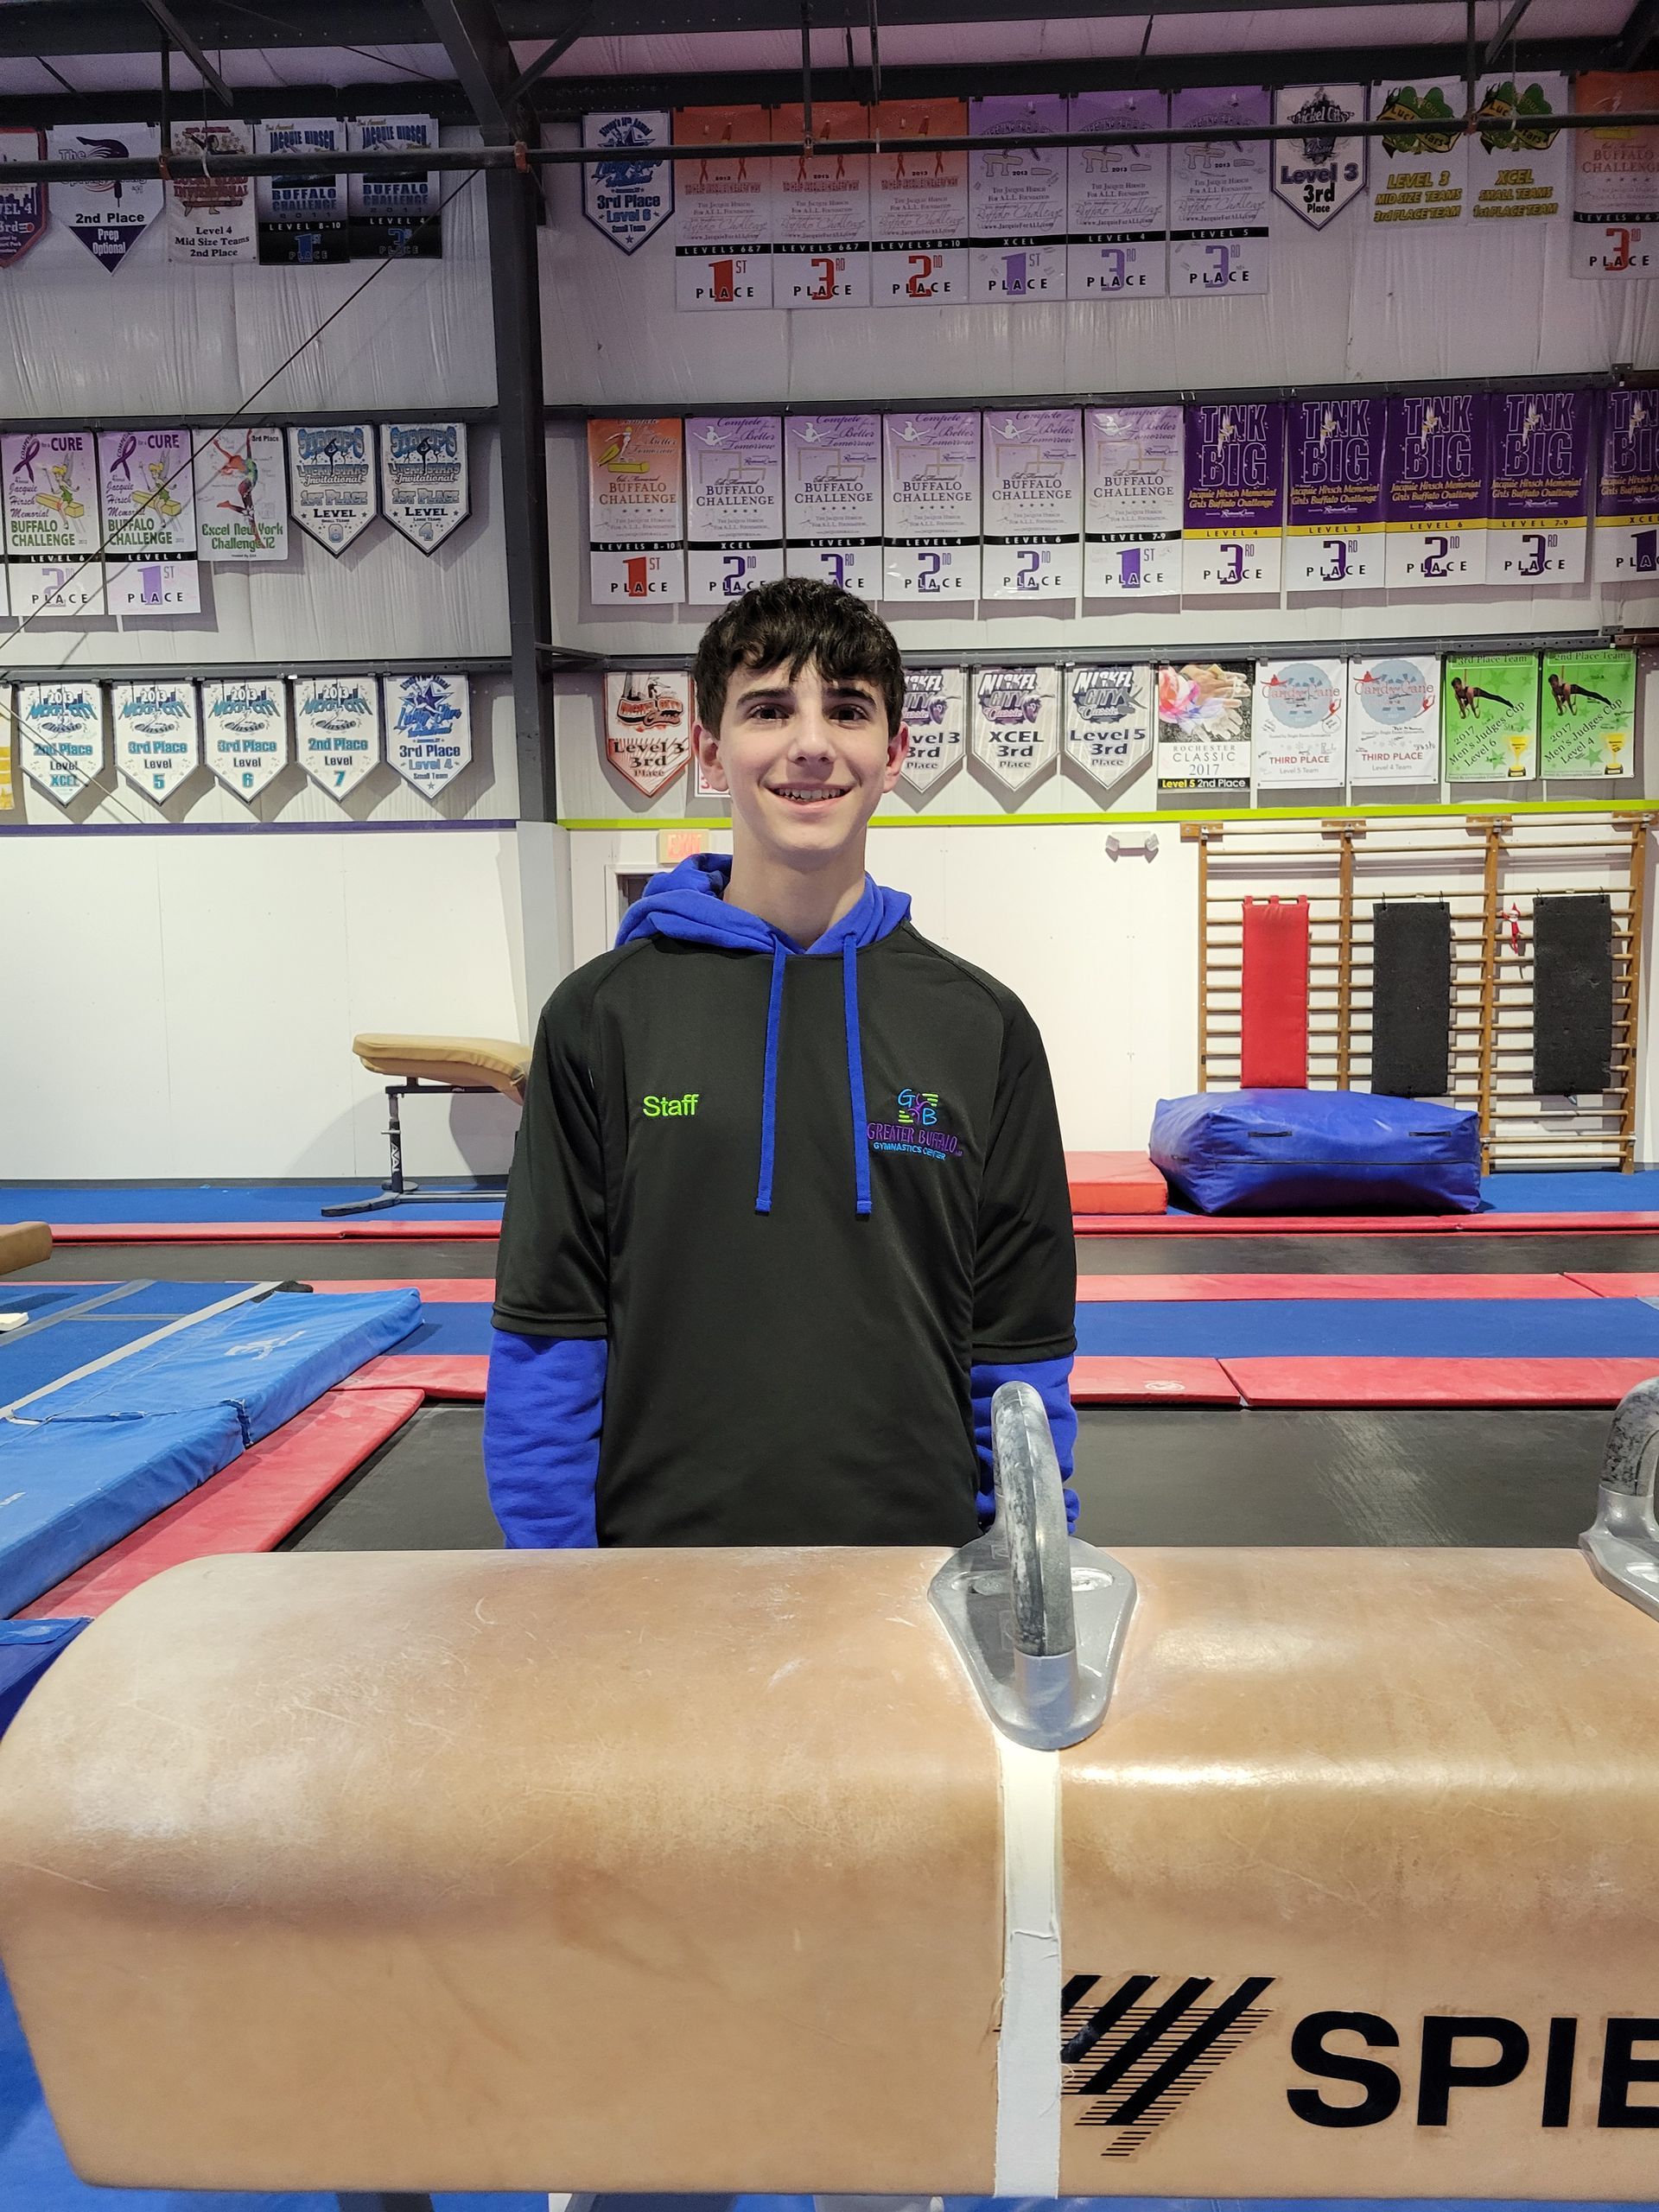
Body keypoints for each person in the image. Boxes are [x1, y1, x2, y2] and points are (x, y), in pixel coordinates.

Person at [484, 577, 1077, 1548]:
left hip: (917, 1574)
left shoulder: (983, 1027)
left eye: (847, 710)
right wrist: (556, 1585)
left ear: (893, 757)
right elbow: (551, 1334)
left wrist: (1027, 1560)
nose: (810, 743)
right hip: (655, 1580)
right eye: (769, 709)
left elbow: (1019, 1357)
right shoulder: (602, 1016)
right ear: (712, 752)